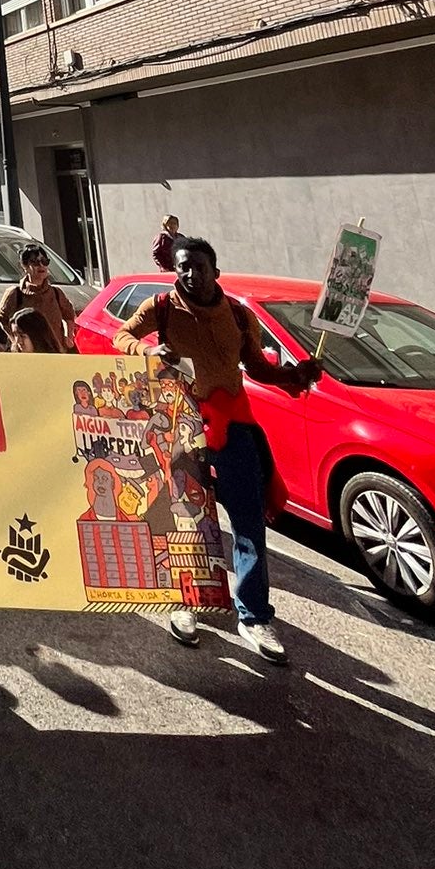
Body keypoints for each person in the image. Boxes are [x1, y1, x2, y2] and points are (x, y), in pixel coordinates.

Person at [116, 236, 321, 664]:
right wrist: (148, 349)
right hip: (182, 426)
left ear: (216, 271)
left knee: (248, 524)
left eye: (198, 266)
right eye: (182, 266)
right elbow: (122, 336)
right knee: (186, 522)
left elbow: (259, 368)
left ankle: (254, 616)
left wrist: (296, 375)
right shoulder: (162, 308)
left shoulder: (240, 315)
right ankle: (184, 603)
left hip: (236, 428)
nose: (190, 274)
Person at [0, 246, 76, 352]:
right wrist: (15, 339)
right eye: (35, 262)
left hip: (55, 352)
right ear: (25, 266)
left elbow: (70, 315)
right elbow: (0, 316)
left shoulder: (56, 293)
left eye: (45, 261)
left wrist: (68, 337)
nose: (41, 266)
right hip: (27, 355)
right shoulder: (15, 293)